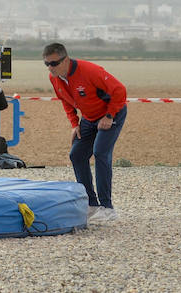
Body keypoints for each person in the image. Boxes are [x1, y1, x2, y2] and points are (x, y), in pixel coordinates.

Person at [44, 41, 128, 224]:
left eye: (54, 63)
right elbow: (65, 101)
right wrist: (75, 124)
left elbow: (120, 90)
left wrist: (109, 115)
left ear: (65, 60)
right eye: (47, 64)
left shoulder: (89, 71)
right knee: (77, 155)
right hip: (88, 118)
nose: (51, 68)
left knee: (100, 152)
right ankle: (91, 204)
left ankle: (107, 208)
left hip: (110, 114)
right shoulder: (55, 79)